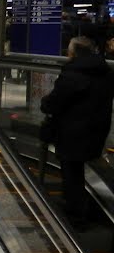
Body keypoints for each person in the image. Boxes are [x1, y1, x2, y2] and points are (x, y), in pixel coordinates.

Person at [40, 37, 114, 228]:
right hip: (97, 129)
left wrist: (45, 103)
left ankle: (76, 215)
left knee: (71, 171)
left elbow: (55, 102)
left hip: (72, 131)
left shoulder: (72, 73)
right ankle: (84, 207)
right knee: (78, 169)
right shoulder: (105, 72)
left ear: (73, 53)